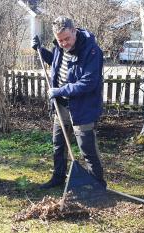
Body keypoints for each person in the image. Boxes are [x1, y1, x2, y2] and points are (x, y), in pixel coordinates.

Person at [32, 16, 106, 189]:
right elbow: (57, 63)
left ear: (74, 30)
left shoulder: (92, 51)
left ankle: (97, 185)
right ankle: (58, 178)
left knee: (87, 149)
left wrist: (60, 91)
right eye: (60, 40)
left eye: (67, 39)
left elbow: (88, 82)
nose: (64, 43)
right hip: (61, 106)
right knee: (58, 145)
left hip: (83, 108)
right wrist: (40, 50)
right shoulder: (59, 46)